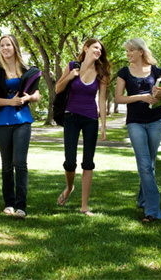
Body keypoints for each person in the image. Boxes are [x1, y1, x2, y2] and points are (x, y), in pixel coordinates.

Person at [115, 37, 161, 224]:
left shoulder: (157, 71)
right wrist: (141, 97)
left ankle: (142, 200)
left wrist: (160, 94)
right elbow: (118, 98)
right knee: (144, 165)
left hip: (156, 121)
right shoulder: (124, 72)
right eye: (126, 51)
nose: (128, 54)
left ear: (141, 51)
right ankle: (153, 210)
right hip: (135, 123)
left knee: (150, 165)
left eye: (130, 50)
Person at [0, 35, 41, 219]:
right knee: (7, 164)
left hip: (22, 120)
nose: (5, 48)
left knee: (20, 163)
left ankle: (21, 206)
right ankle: (8, 203)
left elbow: (37, 95)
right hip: (1, 120)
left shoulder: (27, 70)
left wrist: (27, 98)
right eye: (2, 45)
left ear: (15, 46)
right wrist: (9, 102)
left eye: (8, 44)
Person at [55, 38, 110, 216]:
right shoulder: (72, 66)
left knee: (88, 162)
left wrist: (103, 125)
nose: (98, 51)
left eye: (100, 49)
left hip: (90, 119)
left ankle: (84, 206)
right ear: (85, 48)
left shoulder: (101, 72)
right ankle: (70, 187)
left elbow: (101, 99)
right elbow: (57, 88)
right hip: (71, 116)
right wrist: (71, 76)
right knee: (70, 161)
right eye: (95, 47)